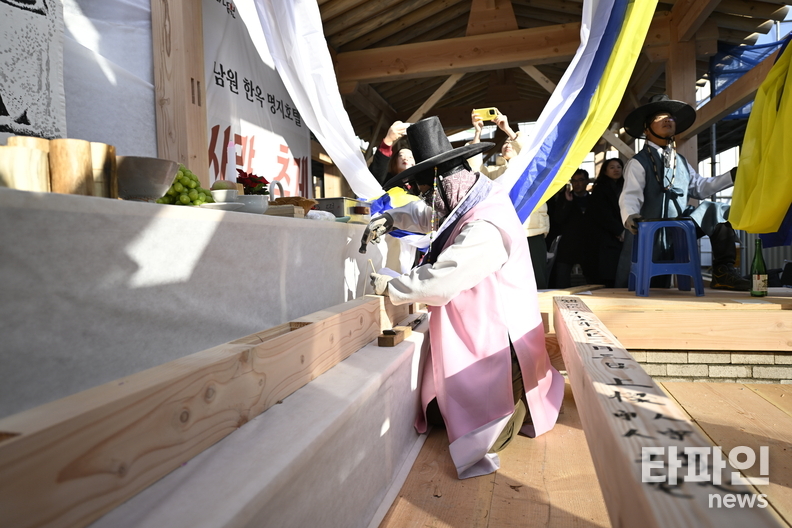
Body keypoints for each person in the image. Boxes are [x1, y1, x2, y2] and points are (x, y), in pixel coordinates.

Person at [362, 116, 564, 479]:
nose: (427, 201)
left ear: (442, 184)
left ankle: (513, 410)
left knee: (483, 431)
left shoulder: (485, 224)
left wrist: (391, 286)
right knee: (440, 411)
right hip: (479, 329)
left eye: (427, 191)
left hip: (500, 341)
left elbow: (441, 281)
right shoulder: (470, 197)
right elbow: (430, 215)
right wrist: (391, 219)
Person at [618, 94, 749, 291]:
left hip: (679, 225)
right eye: (660, 118)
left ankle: (723, 271)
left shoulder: (681, 161)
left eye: (670, 117)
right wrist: (630, 215)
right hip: (649, 229)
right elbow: (630, 194)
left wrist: (732, 175)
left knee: (718, 211)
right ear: (646, 128)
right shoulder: (638, 162)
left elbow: (701, 188)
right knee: (648, 284)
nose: (667, 120)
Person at [467, 110, 550, 289]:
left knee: (537, 282)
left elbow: (531, 151)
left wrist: (507, 130)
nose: (508, 144)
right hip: (503, 233)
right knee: (507, 283)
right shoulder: (494, 173)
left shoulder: (532, 168)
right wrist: (477, 133)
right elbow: (474, 172)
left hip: (531, 232)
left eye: (511, 142)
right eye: (505, 142)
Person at [549, 169, 593, 288]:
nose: (577, 184)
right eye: (574, 181)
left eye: (580, 180)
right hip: (568, 244)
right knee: (562, 279)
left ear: (587, 181)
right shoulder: (564, 198)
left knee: (592, 279)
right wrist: (568, 203)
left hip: (588, 245)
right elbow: (558, 219)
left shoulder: (593, 199)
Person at [586, 158, 625, 287]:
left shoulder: (625, 187)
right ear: (605, 171)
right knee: (607, 270)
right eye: (612, 167)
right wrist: (618, 231)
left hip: (622, 233)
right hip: (605, 235)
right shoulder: (600, 189)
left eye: (619, 167)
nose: (616, 170)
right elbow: (602, 214)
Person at [368, 121, 415, 186]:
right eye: (401, 155)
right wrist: (388, 140)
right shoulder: (387, 181)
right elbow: (378, 171)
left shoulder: (419, 186)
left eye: (410, 157)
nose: (405, 159)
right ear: (394, 162)